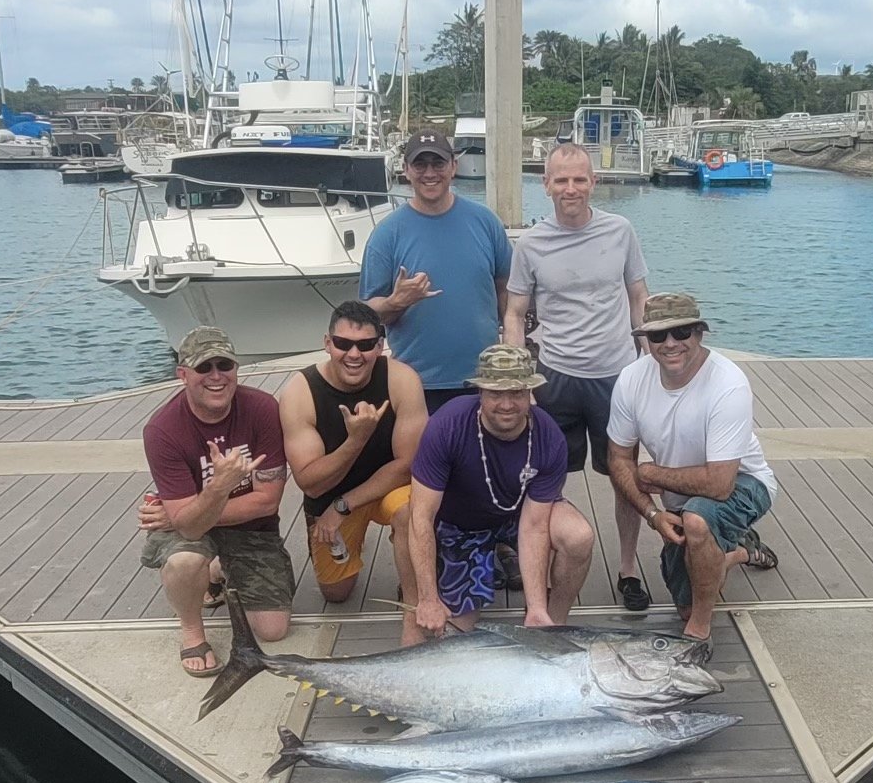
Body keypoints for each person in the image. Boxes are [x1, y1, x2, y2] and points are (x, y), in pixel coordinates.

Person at [502, 143, 657, 611]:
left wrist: (649, 361)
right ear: (545, 184)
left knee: (624, 478)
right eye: (561, 180)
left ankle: (629, 568)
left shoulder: (621, 231)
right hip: (557, 377)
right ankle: (549, 563)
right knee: (548, 480)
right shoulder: (530, 244)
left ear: (593, 182)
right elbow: (514, 313)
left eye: (579, 179)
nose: (571, 188)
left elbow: (639, 297)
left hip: (616, 376)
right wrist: (518, 379)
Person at [399, 343, 595, 646]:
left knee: (578, 535)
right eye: (495, 393)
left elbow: (534, 526)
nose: (506, 404)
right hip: (462, 523)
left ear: (530, 393)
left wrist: (536, 607)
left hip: (519, 513)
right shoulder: (447, 425)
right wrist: (427, 599)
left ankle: (551, 626)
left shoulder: (549, 436)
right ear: (480, 393)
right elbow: (421, 517)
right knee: (455, 626)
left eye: (516, 393)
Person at [607, 293, 777, 641]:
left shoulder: (728, 384)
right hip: (681, 497)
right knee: (683, 598)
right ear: (645, 341)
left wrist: (652, 474)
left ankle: (698, 629)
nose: (671, 344)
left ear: (699, 333)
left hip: (744, 482)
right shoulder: (630, 379)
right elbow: (619, 459)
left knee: (698, 521)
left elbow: (719, 485)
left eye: (682, 332)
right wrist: (653, 515)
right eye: (657, 335)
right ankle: (740, 553)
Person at [138, 326, 295, 676]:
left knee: (273, 629)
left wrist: (186, 513)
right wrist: (218, 487)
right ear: (183, 374)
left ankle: (218, 570)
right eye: (203, 368)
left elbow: (267, 502)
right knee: (182, 561)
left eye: (225, 365)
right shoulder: (162, 430)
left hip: (248, 527)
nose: (216, 376)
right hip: (193, 528)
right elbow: (190, 527)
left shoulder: (263, 409)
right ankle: (192, 631)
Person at [278, 301, 428, 603]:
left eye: (365, 345)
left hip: (387, 490)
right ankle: (351, 539)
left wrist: (344, 505)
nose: (354, 354)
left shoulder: (402, 379)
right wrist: (356, 440)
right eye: (343, 344)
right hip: (329, 494)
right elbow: (310, 482)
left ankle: (415, 599)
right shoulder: (300, 392)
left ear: (380, 345)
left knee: (411, 512)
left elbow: (409, 464)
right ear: (327, 344)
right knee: (336, 593)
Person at [360, 128, 514, 414]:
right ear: (405, 170)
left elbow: (506, 283)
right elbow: (368, 313)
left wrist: (510, 334)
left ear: (454, 167)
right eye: (420, 164)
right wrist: (397, 302)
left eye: (438, 163)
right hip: (416, 385)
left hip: (483, 379)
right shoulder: (386, 235)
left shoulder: (486, 222)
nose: (429, 172)